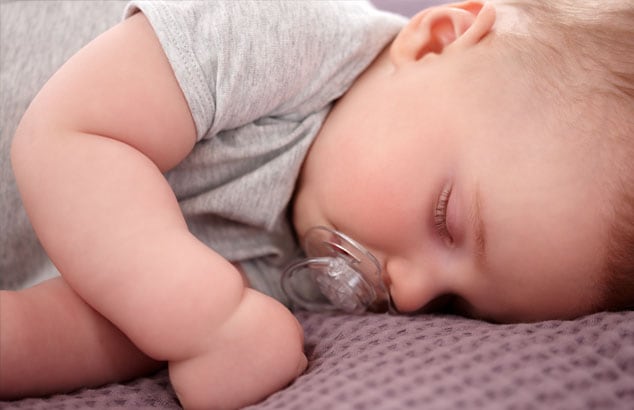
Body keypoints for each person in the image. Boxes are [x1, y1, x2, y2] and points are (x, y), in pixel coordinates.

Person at [1, 0, 632, 408]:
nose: (408, 297)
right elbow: (74, 133)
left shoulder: (294, 277)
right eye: (445, 218)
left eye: (455, 305)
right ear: (438, 39)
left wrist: (24, 343)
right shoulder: (284, 39)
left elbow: (121, 310)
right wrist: (204, 324)